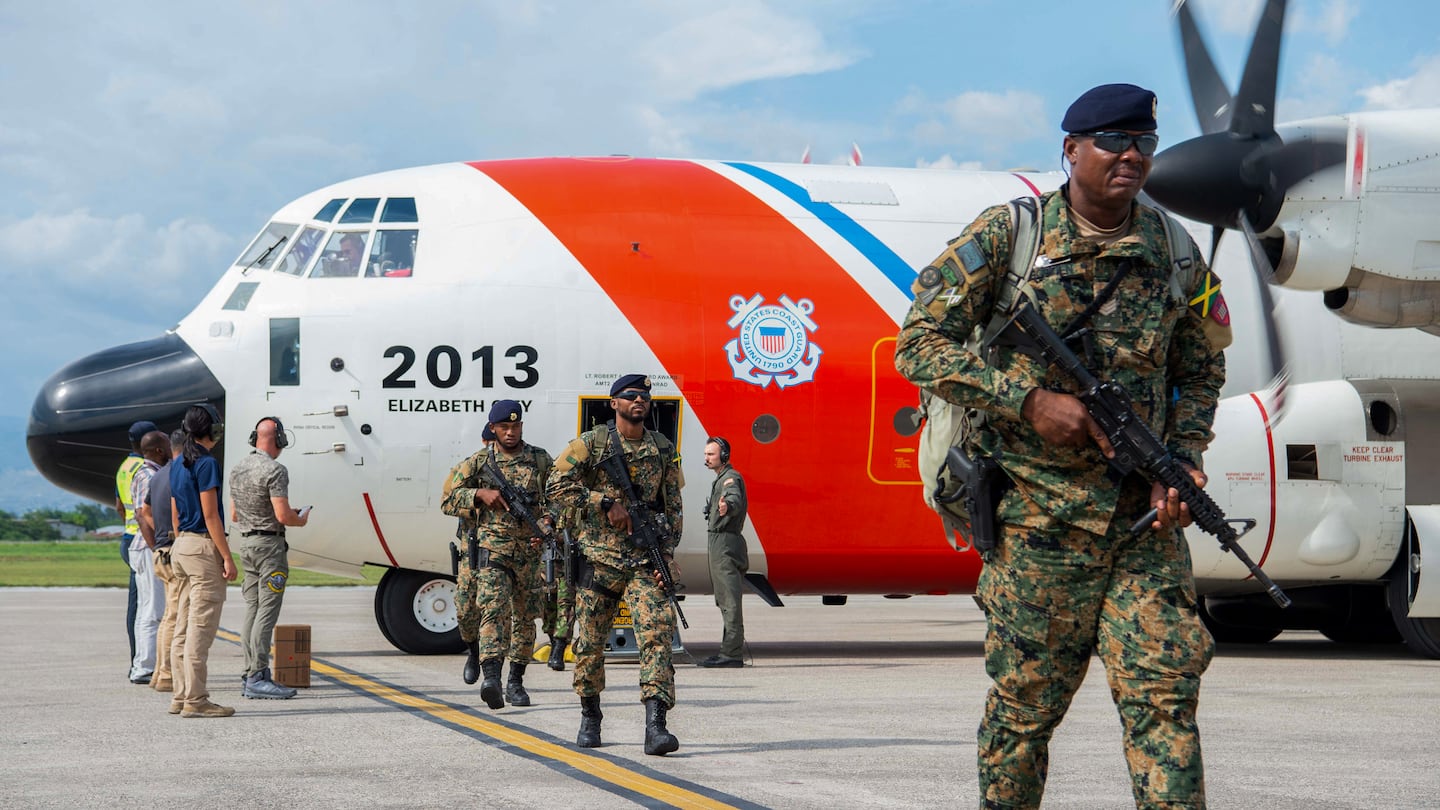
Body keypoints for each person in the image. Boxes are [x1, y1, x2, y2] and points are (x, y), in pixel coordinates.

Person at [894, 83, 1230, 808]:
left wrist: (1186, 455)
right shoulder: (1007, 237)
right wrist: (1029, 400)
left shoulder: (1172, 249)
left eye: (1143, 142)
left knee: (1165, 705)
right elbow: (917, 345)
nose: (1131, 155)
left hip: (1144, 523)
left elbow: (1201, 367)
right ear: (1071, 149)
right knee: (1023, 715)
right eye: (1113, 141)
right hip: (1040, 528)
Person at [546, 374, 685, 755]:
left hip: (644, 561)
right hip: (599, 561)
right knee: (589, 644)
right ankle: (590, 716)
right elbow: (554, 485)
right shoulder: (592, 444)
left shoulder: (661, 447)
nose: (639, 400)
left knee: (657, 635)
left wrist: (666, 555)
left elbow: (673, 507)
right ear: (614, 403)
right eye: (630, 396)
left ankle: (656, 725)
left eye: (644, 396)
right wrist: (603, 503)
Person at [440, 400, 554, 710]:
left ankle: (516, 680)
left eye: (515, 426)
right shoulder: (477, 463)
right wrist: (479, 494)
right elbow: (447, 500)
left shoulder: (540, 460)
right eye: (504, 427)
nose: (510, 432)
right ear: (493, 428)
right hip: (492, 550)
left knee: (525, 617)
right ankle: (490, 675)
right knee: (490, 608)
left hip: (528, 552)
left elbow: (559, 496)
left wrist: (548, 521)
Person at [229, 416, 309, 700]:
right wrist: (299, 519)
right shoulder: (276, 470)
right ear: (278, 440)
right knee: (267, 611)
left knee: (252, 609)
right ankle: (257, 675)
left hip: (247, 545)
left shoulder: (238, 469)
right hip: (269, 546)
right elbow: (282, 516)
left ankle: (249, 671)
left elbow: (236, 515)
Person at [168, 404, 238, 718]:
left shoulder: (176, 462)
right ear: (210, 431)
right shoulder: (206, 463)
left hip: (181, 544)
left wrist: (179, 539)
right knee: (200, 627)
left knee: (181, 626)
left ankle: (181, 696)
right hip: (200, 547)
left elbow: (174, 509)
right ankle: (196, 700)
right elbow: (210, 515)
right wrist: (226, 556)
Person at [697, 436, 748, 668]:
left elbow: (734, 498)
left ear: (724, 457)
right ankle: (729, 650)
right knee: (724, 599)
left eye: (711, 454)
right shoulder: (721, 479)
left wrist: (728, 506)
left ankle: (732, 653)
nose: (706, 458)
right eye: (706, 454)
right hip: (719, 542)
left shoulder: (729, 479)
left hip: (725, 543)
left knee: (729, 600)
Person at [127, 430, 171, 684]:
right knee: (152, 610)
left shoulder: (148, 473)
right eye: (165, 446)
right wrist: (157, 549)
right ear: (157, 450)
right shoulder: (148, 476)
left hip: (145, 547)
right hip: (147, 547)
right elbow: (143, 515)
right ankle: (144, 667)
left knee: (149, 608)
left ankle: (145, 665)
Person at [115, 419, 156, 677]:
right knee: (148, 605)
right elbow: (145, 511)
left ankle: (136, 659)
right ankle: (142, 663)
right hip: (143, 539)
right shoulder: (145, 468)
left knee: (136, 605)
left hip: (128, 538)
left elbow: (120, 506)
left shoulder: (123, 467)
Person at [146, 430, 185, 694]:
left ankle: (160, 673)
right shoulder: (178, 474)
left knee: (168, 617)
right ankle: (168, 675)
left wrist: (159, 534)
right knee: (175, 616)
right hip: (173, 549)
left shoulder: (158, 475)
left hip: (160, 549)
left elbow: (144, 511)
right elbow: (179, 515)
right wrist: (176, 537)